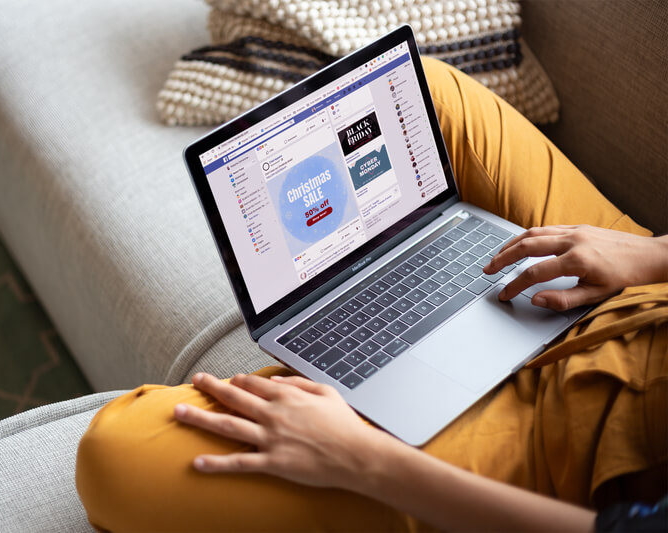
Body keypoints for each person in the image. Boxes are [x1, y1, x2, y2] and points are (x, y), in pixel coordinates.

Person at [75, 57, 668, 532]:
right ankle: (372, 302)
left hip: (571, 459)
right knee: (416, 90)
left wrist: (361, 459)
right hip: (643, 295)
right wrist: (650, 255)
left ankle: (350, 355)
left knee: (115, 456)